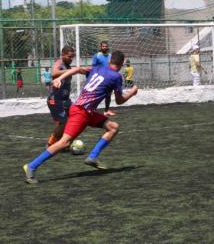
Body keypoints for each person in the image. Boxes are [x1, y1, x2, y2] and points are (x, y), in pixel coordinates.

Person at [23, 50, 138, 184]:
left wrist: (59, 78)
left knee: (113, 127)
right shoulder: (116, 76)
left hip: (86, 112)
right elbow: (119, 101)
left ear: (110, 60)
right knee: (64, 143)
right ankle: (31, 166)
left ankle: (92, 157)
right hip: (81, 112)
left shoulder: (97, 68)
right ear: (122, 63)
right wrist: (132, 93)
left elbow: (77, 69)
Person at [46, 46, 89, 148]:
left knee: (77, 116)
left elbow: (76, 71)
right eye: (69, 57)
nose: (71, 59)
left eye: (72, 57)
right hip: (55, 100)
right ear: (63, 55)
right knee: (64, 122)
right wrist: (72, 71)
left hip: (66, 100)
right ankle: (50, 145)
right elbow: (54, 73)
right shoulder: (59, 63)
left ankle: (64, 141)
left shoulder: (68, 66)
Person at [92, 41, 115, 116]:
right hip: (99, 78)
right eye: (103, 46)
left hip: (108, 78)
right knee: (97, 95)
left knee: (108, 95)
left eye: (106, 46)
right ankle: (93, 109)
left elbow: (113, 66)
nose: (105, 47)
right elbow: (93, 67)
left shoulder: (111, 56)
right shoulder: (97, 56)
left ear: (108, 47)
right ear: (100, 47)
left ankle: (106, 110)